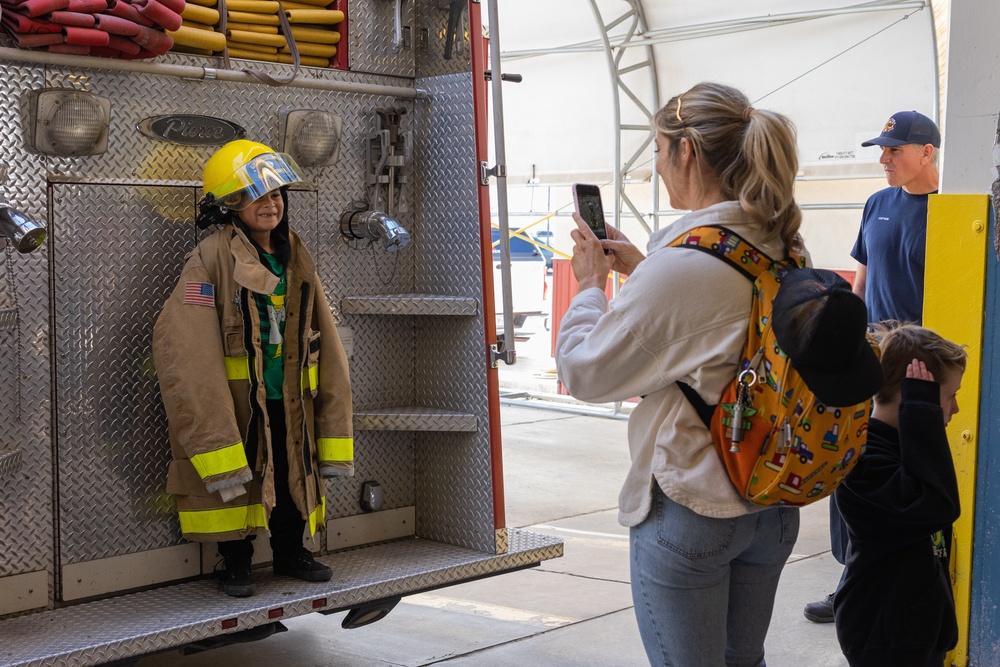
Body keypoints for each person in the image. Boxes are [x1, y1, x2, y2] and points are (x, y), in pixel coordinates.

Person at [556, 81, 809, 667]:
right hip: (772, 499)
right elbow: (725, 332)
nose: (658, 165)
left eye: (658, 150)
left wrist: (592, 285)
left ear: (688, 151)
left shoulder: (686, 266)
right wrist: (645, 270)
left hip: (695, 505)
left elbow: (587, 373)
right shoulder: (781, 246)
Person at [153, 139, 354, 597]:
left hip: (291, 396)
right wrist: (211, 412)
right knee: (242, 479)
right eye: (259, 195)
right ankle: (236, 562)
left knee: (290, 474)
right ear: (231, 204)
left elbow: (323, 327)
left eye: (277, 194)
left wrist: (332, 400)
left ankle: (290, 551)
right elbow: (185, 343)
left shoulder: (293, 252)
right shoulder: (211, 256)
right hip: (240, 401)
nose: (271, 204)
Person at [804, 110, 942, 624]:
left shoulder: (953, 210)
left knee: (909, 478)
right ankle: (852, 582)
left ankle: (910, 584)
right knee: (853, 470)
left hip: (921, 370)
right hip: (871, 363)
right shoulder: (877, 203)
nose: (883, 159)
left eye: (894, 150)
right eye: (881, 150)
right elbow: (860, 285)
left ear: (927, 152)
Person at [834, 323, 965, 666]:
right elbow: (937, 507)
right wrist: (923, 416)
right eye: (950, 396)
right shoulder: (862, 461)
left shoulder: (908, 445)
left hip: (914, 631)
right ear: (914, 398)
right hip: (882, 635)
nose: (955, 410)